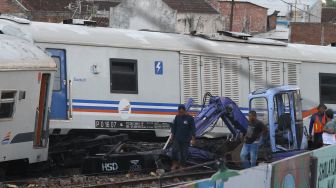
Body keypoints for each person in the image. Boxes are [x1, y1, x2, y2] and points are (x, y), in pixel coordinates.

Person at [170, 104, 196, 171]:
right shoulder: (177, 117)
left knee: (184, 153)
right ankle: (175, 163)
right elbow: (174, 127)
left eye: (181, 112)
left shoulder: (190, 118)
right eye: (179, 112)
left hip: (186, 139)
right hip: (177, 138)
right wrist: (172, 136)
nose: (180, 113)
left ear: (184, 111)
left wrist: (193, 139)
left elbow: (193, 128)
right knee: (174, 151)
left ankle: (182, 165)